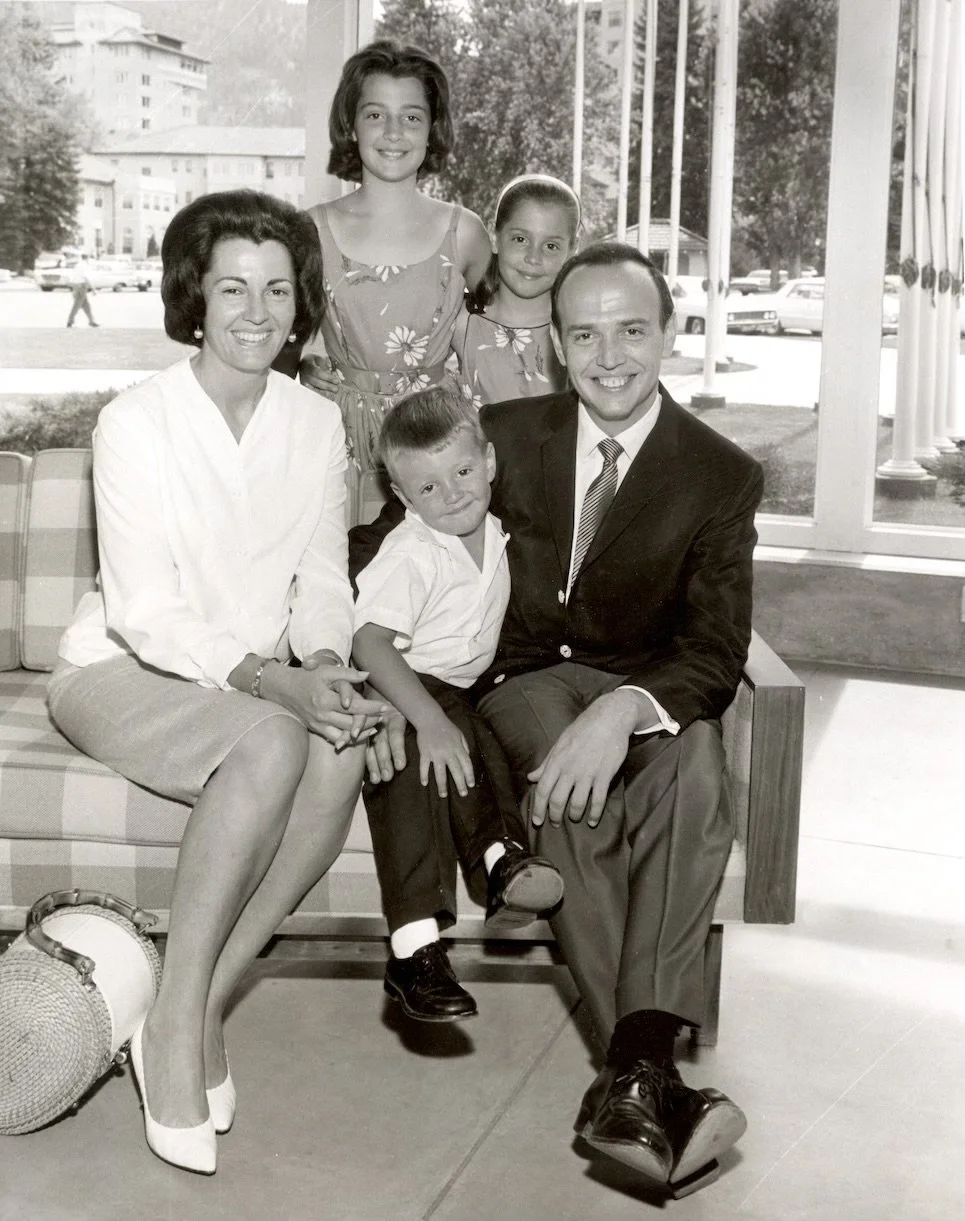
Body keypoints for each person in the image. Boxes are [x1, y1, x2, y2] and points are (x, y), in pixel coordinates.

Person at [357, 242, 764, 1195]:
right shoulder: (499, 433)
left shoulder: (720, 476)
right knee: (571, 788)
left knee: (696, 753)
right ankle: (649, 1067)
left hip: (638, 691)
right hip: (522, 687)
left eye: (631, 329)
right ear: (557, 349)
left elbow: (713, 651)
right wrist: (347, 666)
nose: (609, 355)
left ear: (670, 332)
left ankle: (636, 1073)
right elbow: (387, 547)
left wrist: (627, 707)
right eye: (584, 334)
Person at [47, 189, 387, 1176]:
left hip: (249, 684)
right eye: (231, 287)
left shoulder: (315, 424)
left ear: (299, 301)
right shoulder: (135, 422)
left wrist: (322, 665)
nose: (255, 310)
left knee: (336, 753)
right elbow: (143, 610)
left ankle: (183, 1011)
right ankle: (176, 1036)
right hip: (117, 670)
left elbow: (324, 580)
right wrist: (272, 687)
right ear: (193, 296)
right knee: (277, 736)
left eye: (277, 289)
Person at [352, 387, 563, 1022]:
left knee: (484, 747)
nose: (452, 495)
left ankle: (501, 863)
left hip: (461, 687)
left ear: (491, 463)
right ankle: (414, 951)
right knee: (416, 768)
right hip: (400, 684)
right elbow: (369, 641)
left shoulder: (499, 534)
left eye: (463, 472)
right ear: (402, 497)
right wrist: (427, 718)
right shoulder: (413, 552)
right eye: (428, 489)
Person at [298, 38, 491, 525]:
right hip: (339, 436)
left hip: (437, 441)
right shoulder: (310, 230)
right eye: (375, 114)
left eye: (411, 116)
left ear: (432, 129)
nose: (393, 132)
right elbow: (277, 331)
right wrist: (301, 361)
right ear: (351, 125)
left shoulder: (463, 231)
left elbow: (499, 338)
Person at [450, 174, 580, 407]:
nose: (533, 257)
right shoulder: (462, 322)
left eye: (551, 246)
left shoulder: (577, 331)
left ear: (573, 248)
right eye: (520, 239)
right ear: (494, 236)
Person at [66, 257, 99, 327]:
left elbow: (73, 278)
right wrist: (93, 289)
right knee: (77, 305)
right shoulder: (84, 266)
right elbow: (86, 277)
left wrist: (74, 287)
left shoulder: (78, 265)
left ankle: (91, 321)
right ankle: (70, 321)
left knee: (86, 306)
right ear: (87, 260)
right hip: (82, 287)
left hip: (77, 286)